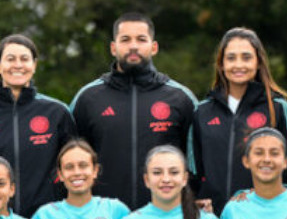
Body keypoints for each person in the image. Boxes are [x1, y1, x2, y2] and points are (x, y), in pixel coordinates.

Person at [70, 12, 197, 208]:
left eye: (141, 39)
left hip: (164, 217)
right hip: (102, 218)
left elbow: (196, 162)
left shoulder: (181, 98)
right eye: (125, 39)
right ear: (113, 47)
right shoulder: (87, 98)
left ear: (154, 47)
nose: (133, 46)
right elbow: (70, 160)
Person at [189, 27, 287, 215]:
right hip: (213, 218)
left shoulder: (278, 107)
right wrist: (196, 203)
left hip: (263, 215)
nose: (238, 64)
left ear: (258, 62)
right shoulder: (202, 111)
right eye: (231, 58)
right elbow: (194, 169)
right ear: (221, 64)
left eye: (246, 57)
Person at [0, 34, 76, 216]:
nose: (18, 65)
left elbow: (71, 166)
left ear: (34, 65)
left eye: (24, 59)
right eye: (10, 59)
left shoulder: (57, 112)